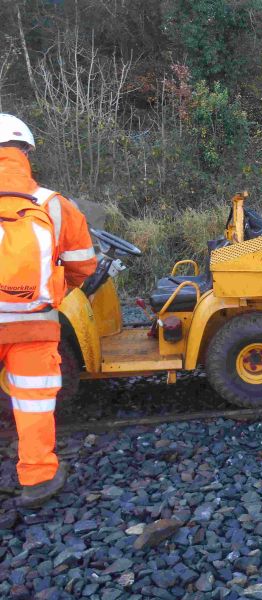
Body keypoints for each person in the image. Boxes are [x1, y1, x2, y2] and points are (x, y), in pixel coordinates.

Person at [0, 114, 97, 507]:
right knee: (34, 402)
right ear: (25, 152)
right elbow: (83, 265)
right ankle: (38, 478)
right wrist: (52, 291)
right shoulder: (53, 205)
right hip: (33, 324)